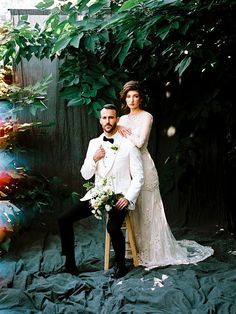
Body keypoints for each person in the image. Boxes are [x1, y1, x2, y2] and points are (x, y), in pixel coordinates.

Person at [117, 80, 214, 270]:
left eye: (135, 96)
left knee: (149, 210)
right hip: (128, 167)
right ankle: (135, 250)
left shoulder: (147, 117)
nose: (132, 99)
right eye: (128, 96)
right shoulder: (121, 119)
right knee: (135, 209)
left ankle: (155, 251)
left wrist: (124, 132)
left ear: (141, 98)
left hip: (144, 166)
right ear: (124, 98)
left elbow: (140, 143)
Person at [58, 104, 144, 278]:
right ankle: (70, 265)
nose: (108, 121)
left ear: (117, 119)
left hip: (119, 196)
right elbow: (85, 174)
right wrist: (94, 159)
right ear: (100, 120)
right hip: (97, 195)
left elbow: (139, 177)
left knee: (112, 227)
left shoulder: (128, 145)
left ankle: (121, 265)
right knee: (64, 219)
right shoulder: (94, 144)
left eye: (111, 117)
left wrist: (128, 198)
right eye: (104, 117)